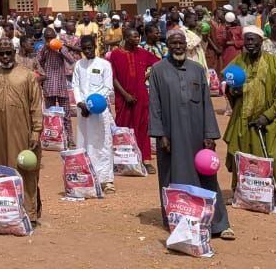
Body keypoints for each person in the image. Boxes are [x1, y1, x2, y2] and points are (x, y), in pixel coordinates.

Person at [149, 29, 233, 239]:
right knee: (172, 176)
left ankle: (218, 224)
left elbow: (206, 103)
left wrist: (210, 134)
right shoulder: (158, 70)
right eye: (174, 43)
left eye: (181, 43)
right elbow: (155, 104)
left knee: (206, 176)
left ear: (186, 45)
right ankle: (177, 221)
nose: (178, 47)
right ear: (168, 45)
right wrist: (161, 135)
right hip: (171, 136)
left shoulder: (197, 70)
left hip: (198, 134)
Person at [223, 25, 276, 189]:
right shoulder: (237, 63)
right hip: (242, 120)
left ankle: (268, 193)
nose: (250, 43)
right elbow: (229, 88)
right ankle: (241, 192)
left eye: (253, 39)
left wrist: (267, 116)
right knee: (241, 155)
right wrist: (234, 90)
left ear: (261, 41)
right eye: (247, 40)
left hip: (267, 121)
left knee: (268, 156)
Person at [0, 38, 43, 223]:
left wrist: (35, 132)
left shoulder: (26, 75)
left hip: (22, 131)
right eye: (2, 53)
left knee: (25, 169)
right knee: (2, 170)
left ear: (14, 52)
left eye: (9, 52)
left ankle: (30, 212)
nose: (6, 56)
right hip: (0, 134)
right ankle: (7, 211)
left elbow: (36, 105)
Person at [112, 27, 161, 171]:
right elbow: (113, 77)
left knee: (142, 127)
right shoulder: (115, 54)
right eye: (133, 37)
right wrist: (125, 95)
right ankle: (123, 160)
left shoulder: (142, 53)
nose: (137, 39)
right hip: (123, 98)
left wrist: (146, 76)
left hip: (141, 96)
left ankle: (145, 159)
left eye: (138, 36)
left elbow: (158, 63)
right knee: (123, 127)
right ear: (126, 38)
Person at [71, 34, 116, 192]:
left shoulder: (104, 64)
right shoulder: (78, 65)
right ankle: (86, 176)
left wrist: (92, 105)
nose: (87, 51)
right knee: (84, 142)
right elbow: (75, 85)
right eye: (84, 49)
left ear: (95, 47)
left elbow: (108, 87)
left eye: (90, 48)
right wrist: (80, 103)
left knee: (102, 144)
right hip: (83, 111)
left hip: (99, 110)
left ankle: (106, 180)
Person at [37, 24, 78, 146]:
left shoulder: (61, 47)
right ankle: (51, 139)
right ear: (45, 39)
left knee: (66, 114)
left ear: (56, 37)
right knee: (49, 114)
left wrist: (61, 49)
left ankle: (69, 138)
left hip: (61, 85)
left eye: (52, 38)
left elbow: (71, 60)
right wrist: (45, 48)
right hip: (49, 85)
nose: (50, 40)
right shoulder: (43, 49)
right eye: (47, 38)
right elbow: (38, 61)